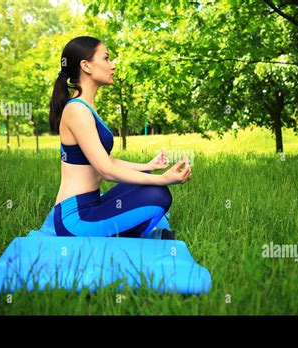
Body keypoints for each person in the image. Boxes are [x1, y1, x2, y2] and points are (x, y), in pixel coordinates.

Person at [48, 36, 192, 240]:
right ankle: (129, 235)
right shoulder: (77, 110)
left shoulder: (85, 107)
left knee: (146, 183)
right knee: (158, 194)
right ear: (86, 66)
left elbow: (107, 161)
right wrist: (163, 179)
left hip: (91, 204)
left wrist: (147, 165)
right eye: (106, 58)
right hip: (75, 220)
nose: (113, 65)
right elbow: (106, 170)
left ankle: (121, 232)